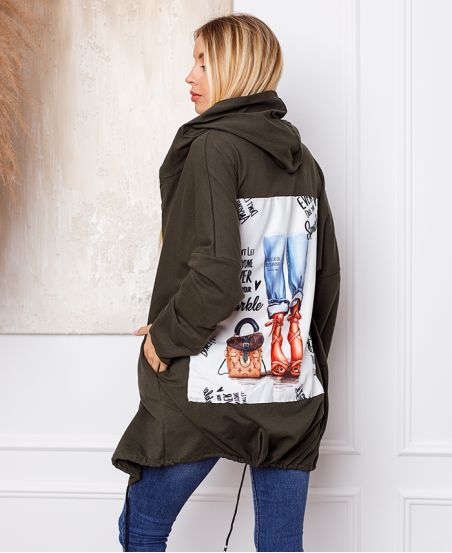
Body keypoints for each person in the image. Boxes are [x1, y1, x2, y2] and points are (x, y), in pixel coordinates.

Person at [112, 12, 341, 553]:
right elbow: (323, 279)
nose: (189, 76)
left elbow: (217, 279)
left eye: (202, 62)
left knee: (141, 530)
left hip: (206, 393)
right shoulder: (304, 159)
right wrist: (301, 358)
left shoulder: (214, 146)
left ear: (235, 68)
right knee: (281, 544)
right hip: (289, 386)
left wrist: (164, 337)